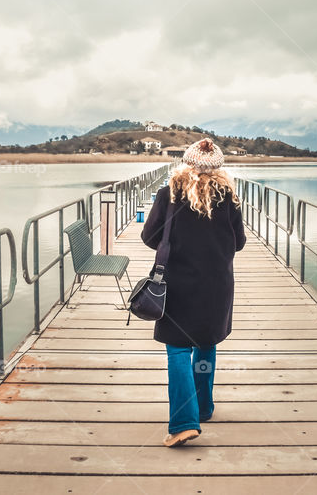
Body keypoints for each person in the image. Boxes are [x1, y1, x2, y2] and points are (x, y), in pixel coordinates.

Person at [140, 138, 246, 447]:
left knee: (177, 348)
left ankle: (185, 423)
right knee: (206, 341)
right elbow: (238, 242)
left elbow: (150, 237)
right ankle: (203, 407)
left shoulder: (169, 194)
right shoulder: (228, 197)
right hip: (217, 283)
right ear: (218, 168)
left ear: (186, 163)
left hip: (177, 282)